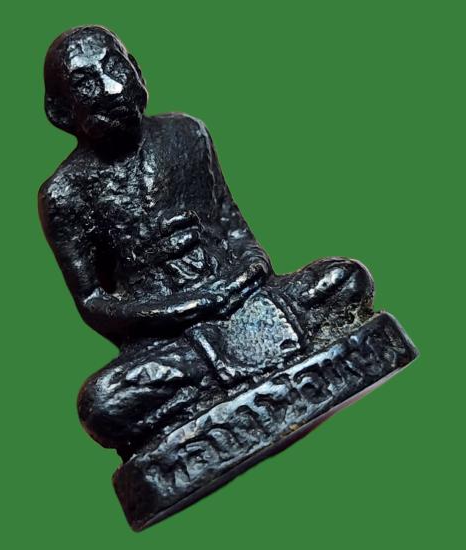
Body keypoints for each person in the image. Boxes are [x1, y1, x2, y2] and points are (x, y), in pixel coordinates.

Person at [39, 26, 374, 458]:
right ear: (60, 112)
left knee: (347, 279)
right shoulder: (65, 194)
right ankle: (237, 381)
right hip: (171, 340)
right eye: (86, 83)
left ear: (137, 70)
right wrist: (183, 308)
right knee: (102, 404)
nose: (112, 89)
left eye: (115, 67)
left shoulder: (186, 133)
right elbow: (93, 302)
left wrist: (248, 272)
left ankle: (226, 388)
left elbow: (233, 225)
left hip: (246, 298)